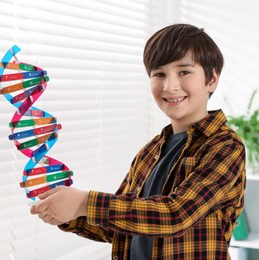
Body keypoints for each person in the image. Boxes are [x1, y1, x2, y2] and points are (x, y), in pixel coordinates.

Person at [31, 23, 246, 260]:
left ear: (212, 79)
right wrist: (69, 215)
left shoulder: (225, 147)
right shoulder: (151, 150)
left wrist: (83, 202)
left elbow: (176, 215)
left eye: (184, 72)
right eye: (159, 74)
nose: (170, 86)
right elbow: (120, 224)